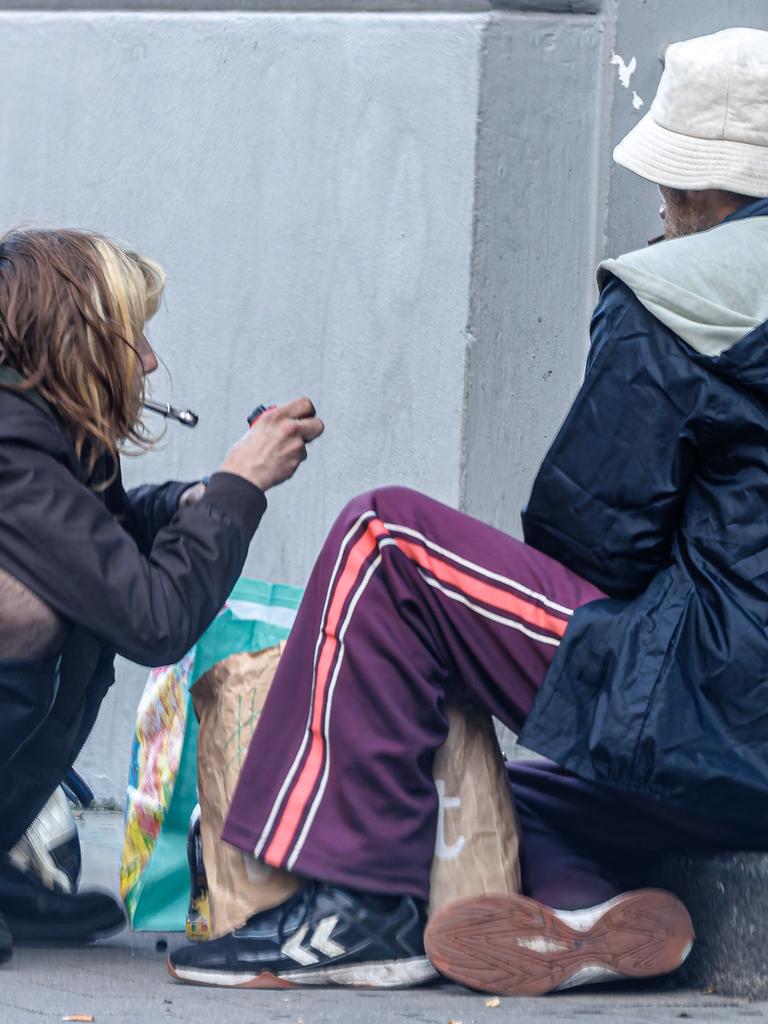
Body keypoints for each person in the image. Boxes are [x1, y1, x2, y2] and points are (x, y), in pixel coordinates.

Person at [168, 26, 768, 995]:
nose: (660, 205)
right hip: (739, 752)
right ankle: (579, 907)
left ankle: (358, 909)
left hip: (722, 698)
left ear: (705, 188)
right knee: (524, 786)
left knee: (386, 541)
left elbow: (592, 534)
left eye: (669, 183)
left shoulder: (675, 291)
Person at [0, 228, 323, 963]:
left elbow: (94, 535)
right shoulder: (11, 445)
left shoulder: (39, 424)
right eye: (135, 337)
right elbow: (152, 618)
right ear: (75, 341)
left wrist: (196, 500)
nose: (148, 360)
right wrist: (240, 487)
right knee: (37, 614)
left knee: (69, 602)